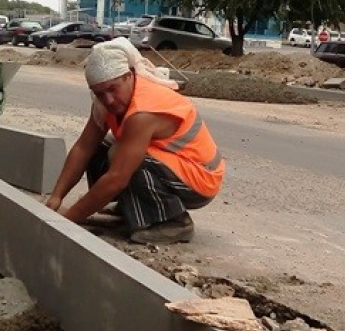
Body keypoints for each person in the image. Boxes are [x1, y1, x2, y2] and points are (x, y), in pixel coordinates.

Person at [46, 38, 225, 244]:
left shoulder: (143, 111)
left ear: (129, 76)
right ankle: (131, 209)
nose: (108, 100)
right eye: (99, 93)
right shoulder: (105, 104)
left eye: (113, 89)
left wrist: (67, 221)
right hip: (171, 166)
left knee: (123, 158)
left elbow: (117, 178)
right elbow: (83, 148)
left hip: (200, 179)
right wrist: (56, 197)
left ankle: (175, 222)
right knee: (102, 148)